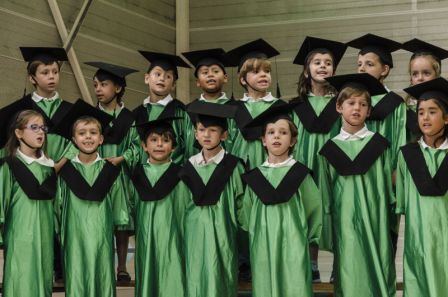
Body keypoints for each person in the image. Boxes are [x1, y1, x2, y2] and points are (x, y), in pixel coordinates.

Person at [320, 73, 396, 297]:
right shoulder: (328, 150)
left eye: (363, 104)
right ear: (338, 107)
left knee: (378, 269)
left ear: (369, 111)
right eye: (351, 103)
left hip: (376, 219)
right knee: (349, 270)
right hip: (343, 223)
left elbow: (386, 191)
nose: (357, 108)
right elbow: (325, 193)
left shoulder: (379, 146)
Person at [240, 104, 322, 297]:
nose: (276, 136)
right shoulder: (255, 178)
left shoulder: (301, 175)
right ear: (263, 140)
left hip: (295, 246)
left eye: (283, 132)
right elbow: (246, 217)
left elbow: (314, 213)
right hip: (262, 248)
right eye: (271, 132)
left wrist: (302, 241)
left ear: (293, 140)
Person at [54, 99, 129, 297]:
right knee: (76, 273)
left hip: (101, 233)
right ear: (73, 139)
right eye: (82, 133)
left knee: (102, 273)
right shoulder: (66, 171)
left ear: (102, 139)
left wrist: (119, 222)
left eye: (93, 133)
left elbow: (119, 204)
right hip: (73, 233)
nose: (88, 137)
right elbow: (58, 205)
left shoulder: (110, 170)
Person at [290, 36, 347, 282]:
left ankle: (338, 265)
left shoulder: (340, 104)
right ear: (307, 69)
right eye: (317, 62)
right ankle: (311, 265)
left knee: (335, 211)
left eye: (328, 63)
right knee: (308, 213)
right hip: (304, 165)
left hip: (332, 166)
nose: (323, 66)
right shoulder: (295, 106)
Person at [179, 101, 245, 297]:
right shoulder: (188, 167)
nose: (207, 135)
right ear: (195, 134)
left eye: (213, 130)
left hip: (224, 236)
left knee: (221, 281)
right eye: (202, 130)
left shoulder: (234, 166)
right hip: (193, 237)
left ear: (224, 135)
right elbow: (182, 205)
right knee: (195, 280)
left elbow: (242, 206)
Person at [347, 33, 405, 253]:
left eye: (369, 64)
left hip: (383, 182)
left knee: (383, 237)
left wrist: (394, 172)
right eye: (359, 64)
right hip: (354, 180)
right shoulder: (351, 104)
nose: (361, 69)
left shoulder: (395, 105)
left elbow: (400, 140)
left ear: (385, 69)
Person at [85, 61, 140, 283]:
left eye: (104, 84)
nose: (98, 89)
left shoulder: (129, 118)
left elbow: (137, 145)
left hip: (120, 174)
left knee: (121, 222)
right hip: (95, 171)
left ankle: (121, 267)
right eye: (96, 84)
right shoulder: (90, 116)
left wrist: (122, 158)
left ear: (117, 88)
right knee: (99, 218)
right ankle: (101, 262)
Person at [397, 77, 448, 297]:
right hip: (418, 239)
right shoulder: (407, 155)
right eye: (420, 112)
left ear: (446, 118)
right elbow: (403, 203)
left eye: (432, 111)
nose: (425, 117)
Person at [130, 117, 189, 297]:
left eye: (165, 140)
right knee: (148, 273)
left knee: (173, 273)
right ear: (144, 145)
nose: (159, 145)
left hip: (175, 237)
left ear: (173, 147)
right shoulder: (136, 174)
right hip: (146, 237)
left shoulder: (182, 174)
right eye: (154, 140)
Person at [0, 109, 56, 296]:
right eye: (34, 127)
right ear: (18, 132)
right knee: (21, 279)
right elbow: (1, 201)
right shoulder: (9, 165)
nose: (41, 132)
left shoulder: (48, 167)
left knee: (43, 278)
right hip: (19, 235)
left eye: (43, 128)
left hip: (45, 235)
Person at [0, 47, 76, 171]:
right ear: (32, 78)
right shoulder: (19, 109)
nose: (52, 77)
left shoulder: (71, 110)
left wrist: (60, 165)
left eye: (55, 72)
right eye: (45, 73)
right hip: (27, 173)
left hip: (63, 173)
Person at [226, 38, 287, 170]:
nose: (263, 75)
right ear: (242, 79)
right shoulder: (232, 109)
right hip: (239, 168)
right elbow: (228, 143)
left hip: (273, 168)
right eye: (256, 72)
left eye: (267, 71)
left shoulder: (280, 106)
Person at [133, 51, 194, 163]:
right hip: (141, 177)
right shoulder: (135, 114)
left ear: (173, 85)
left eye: (168, 76)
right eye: (158, 74)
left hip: (174, 176)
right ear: (147, 78)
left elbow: (190, 150)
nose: (162, 78)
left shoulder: (182, 113)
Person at [401, 38, 448, 140]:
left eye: (426, 73)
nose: (420, 78)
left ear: (437, 75)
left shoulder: (445, 107)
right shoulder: (403, 110)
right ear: (411, 78)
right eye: (415, 74)